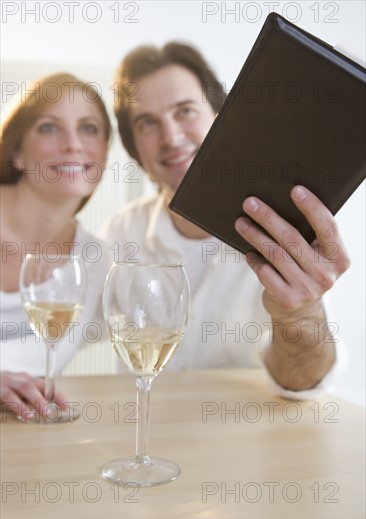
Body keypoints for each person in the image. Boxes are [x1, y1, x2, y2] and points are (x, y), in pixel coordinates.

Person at [100, 42, 350, 399]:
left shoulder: (286, 234)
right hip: (146, 441)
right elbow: (52, 330)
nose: (171, 137)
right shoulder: (119, 233)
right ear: (134, 147)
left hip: (250, 446)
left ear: (221, 116)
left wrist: (299, 316)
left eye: (185, 111)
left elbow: (303, 383)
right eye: (148, 123)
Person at [0, 73, 111, 418]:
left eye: (89, 128)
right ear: (17, 151)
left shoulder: (96, 262)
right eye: (50, 127)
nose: (73, 144)